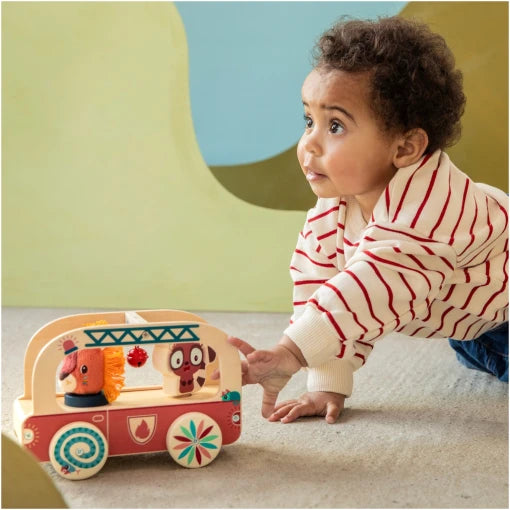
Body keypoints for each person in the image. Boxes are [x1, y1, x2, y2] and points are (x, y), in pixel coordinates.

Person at [226, 16, 509, 424]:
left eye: (335, 126)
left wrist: (290, 352)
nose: (309, 143)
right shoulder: (332, 212)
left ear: (405, 148)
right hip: (471, 329)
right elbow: (321, 288)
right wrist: (326, 381)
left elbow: (373, 285)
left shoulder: (432, 209)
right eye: (309, 121)